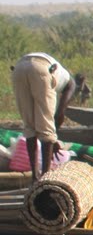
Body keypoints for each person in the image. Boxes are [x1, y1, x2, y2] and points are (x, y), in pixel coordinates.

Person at [10, 52, 79, 180]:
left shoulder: (60, 74)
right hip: (41, 68)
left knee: (29, 126)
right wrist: (52, 140)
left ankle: (35, 178)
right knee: (46, 128)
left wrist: (53, 140)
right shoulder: (70, 84)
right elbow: (60, 114)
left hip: (19, 68)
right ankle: (45, 177)